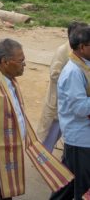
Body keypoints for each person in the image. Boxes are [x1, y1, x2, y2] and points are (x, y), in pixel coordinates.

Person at [0, 39, 73, 200]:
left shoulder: (10, 82)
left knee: (1, 191)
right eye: (21, 61)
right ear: (5, 62)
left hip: (8, 148)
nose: (24, 64)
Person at [51, 26, 90, 199]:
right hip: (80, 139)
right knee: (80, 188)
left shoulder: (84, 65)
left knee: (67, 183)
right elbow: (81, 108)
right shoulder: (73, 71)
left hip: (82, 138)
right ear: (82, 47)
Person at [38, 21, 88, 152]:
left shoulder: (83, 55)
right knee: (50, 134)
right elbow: (54, 73)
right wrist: (73, 81)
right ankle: (43, 160)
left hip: (73, 98)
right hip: (59, 98)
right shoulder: (63, 51)